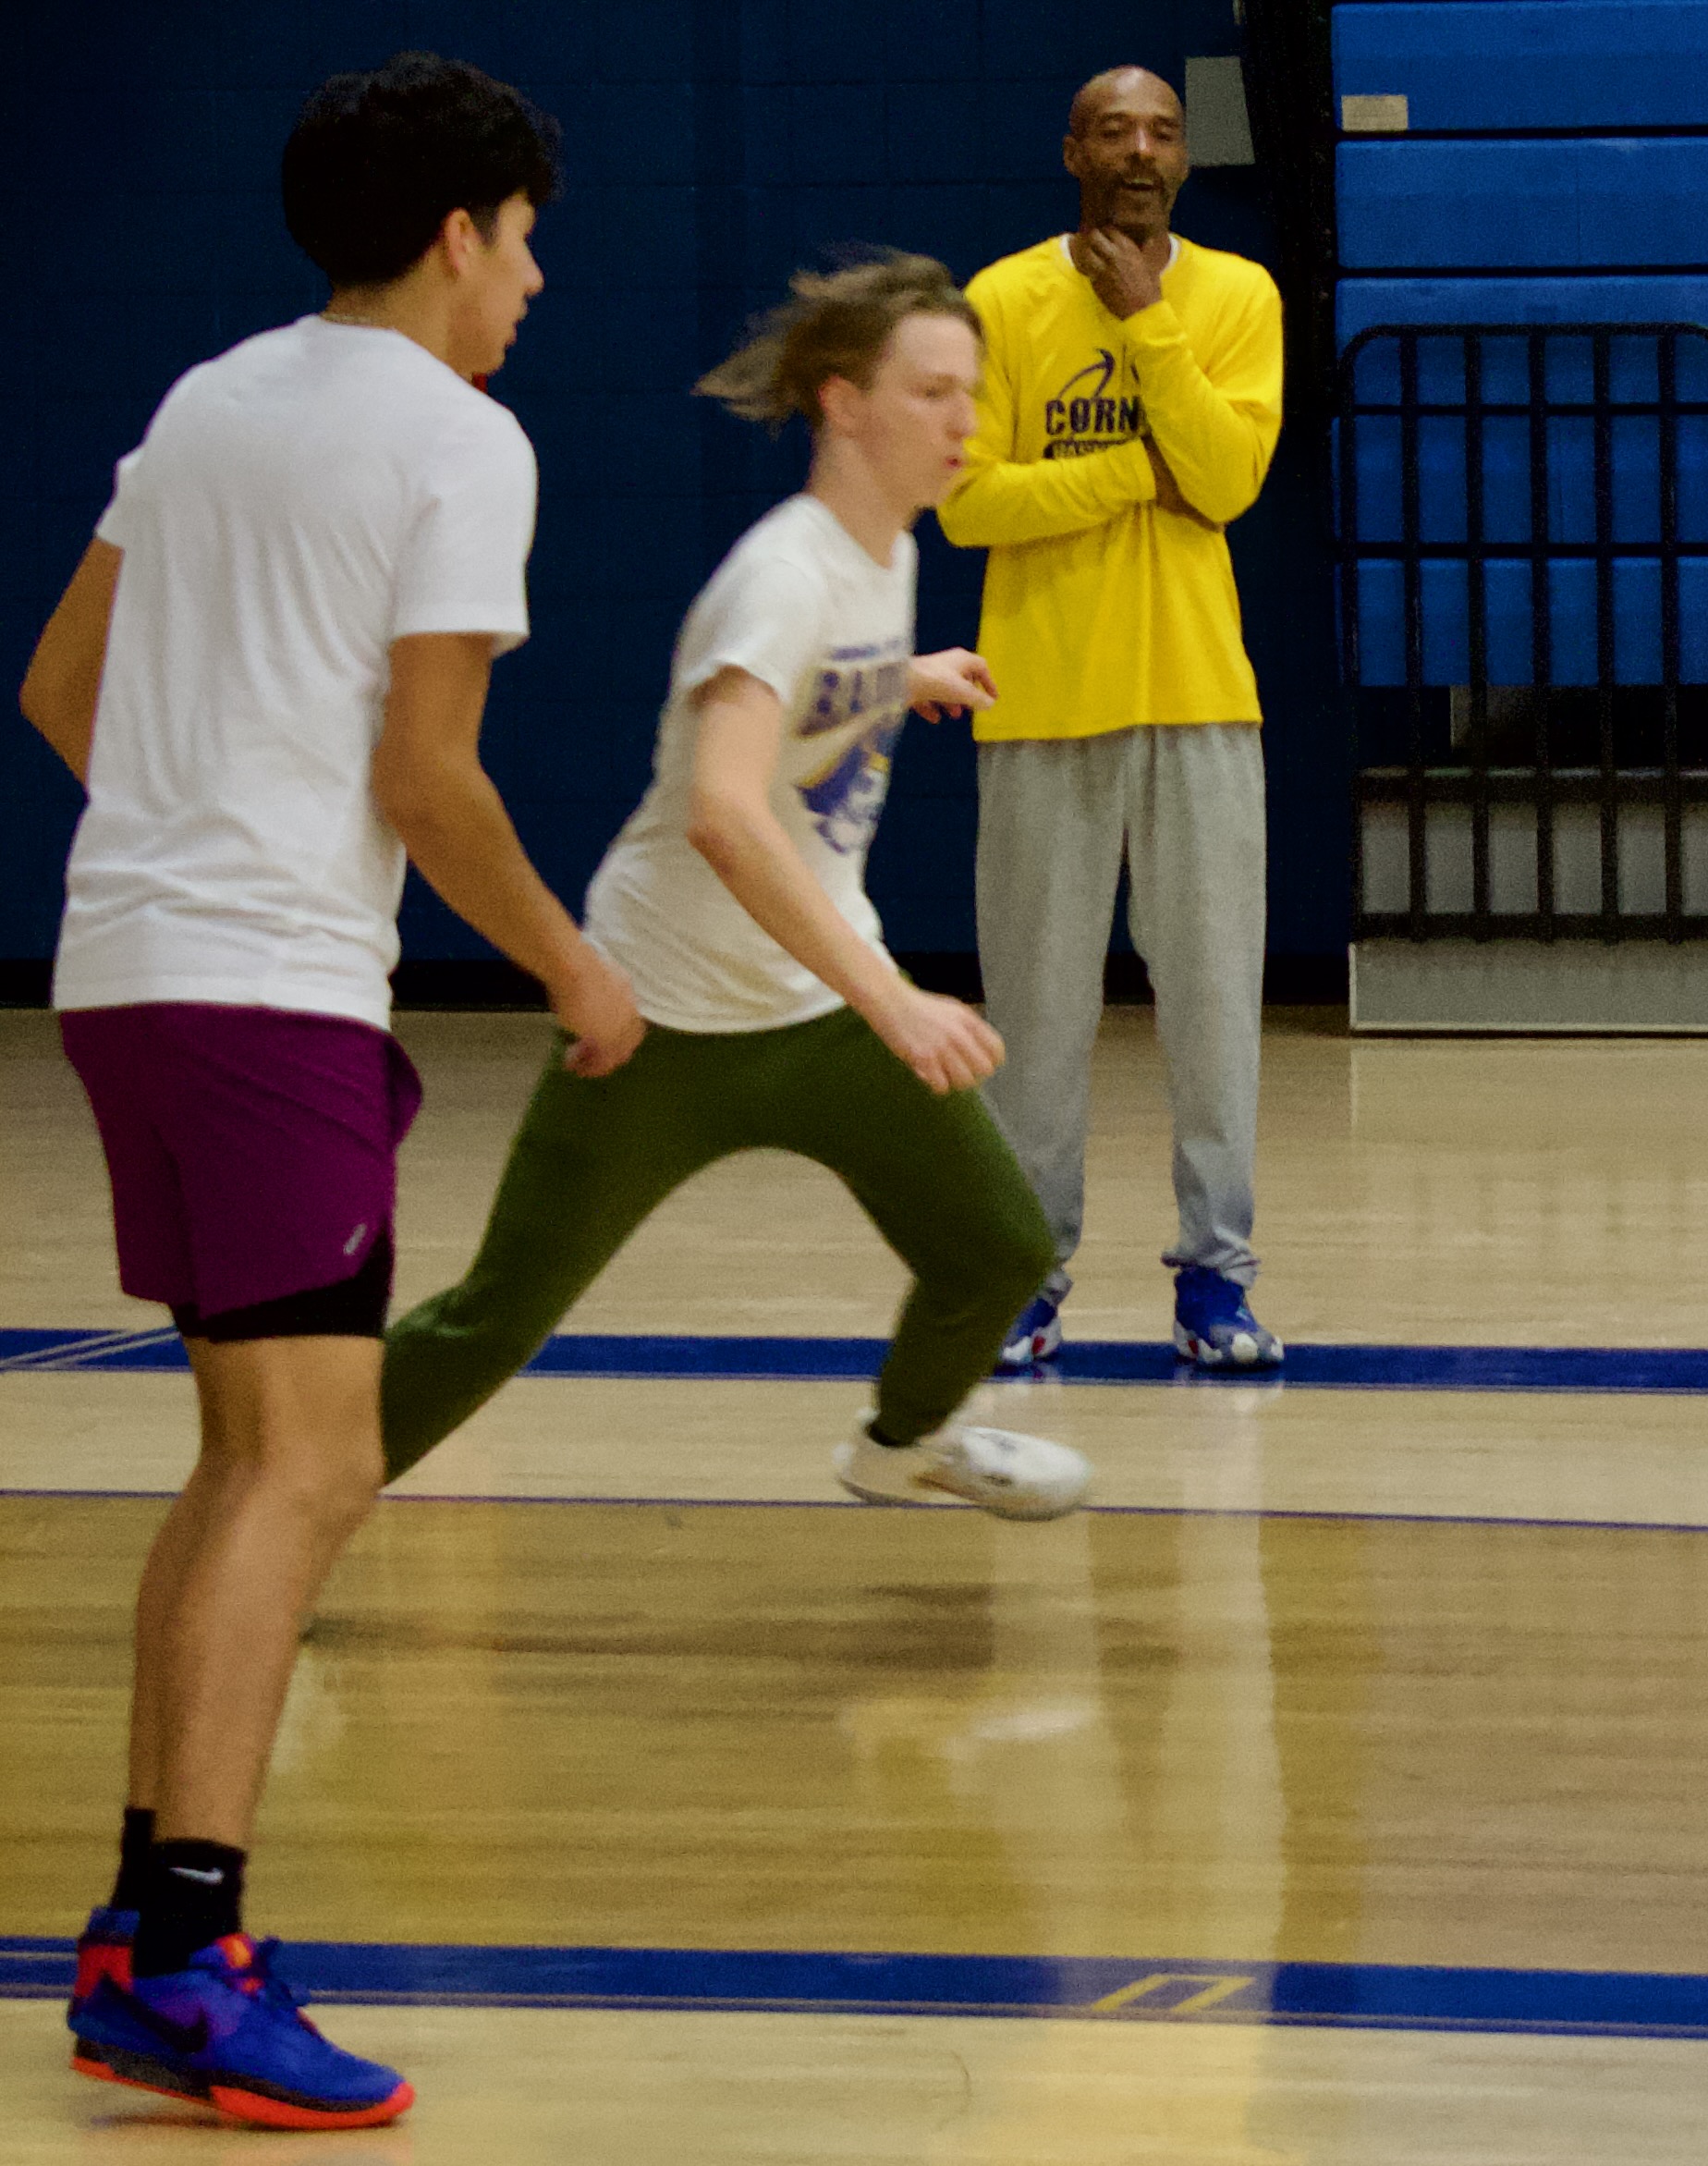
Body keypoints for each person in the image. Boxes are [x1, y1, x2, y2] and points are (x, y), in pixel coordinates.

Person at [28, 54, 640, 2128]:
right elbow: (427, 775)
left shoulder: (210, 395)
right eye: (529, 241)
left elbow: (58, 685)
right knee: (312, 1462)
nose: (538, 284)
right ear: (461, 228)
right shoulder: (460, 440)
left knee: (242, 1459)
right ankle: (189, 1955)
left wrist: (195, 841)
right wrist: (572, 963)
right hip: (268, 990)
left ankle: (141, 1934)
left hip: (127, 972)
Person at [373, 253, 1090, 1523]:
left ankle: (897, 1447)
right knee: (496, 1317)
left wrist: (896, 676)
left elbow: (814, 686)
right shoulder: (784, 574)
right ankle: (286, 1508)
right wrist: (895, 1001)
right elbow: (723, 811)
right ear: (842, 404)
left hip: (808, 1008)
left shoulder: (886, 557)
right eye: (931, 394)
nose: (966, 424)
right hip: (661, 1019)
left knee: (1000, 1250)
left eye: (971, 394)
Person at [939, 64, 1287, 1372]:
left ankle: (1218, 1279)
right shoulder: (1001, 298)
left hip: (1201, 697)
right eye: (1114, 129)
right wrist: (1138, 469)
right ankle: (1027, 1277)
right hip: (1041, 697)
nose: (1140, 148)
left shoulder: (1236, 296)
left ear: (1185, 157)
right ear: (1071, 147)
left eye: (1162, 130)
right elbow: (971, 503)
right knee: (1034, 1018)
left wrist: (1148, 325)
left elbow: (1232, 481)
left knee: (1211, 1010)